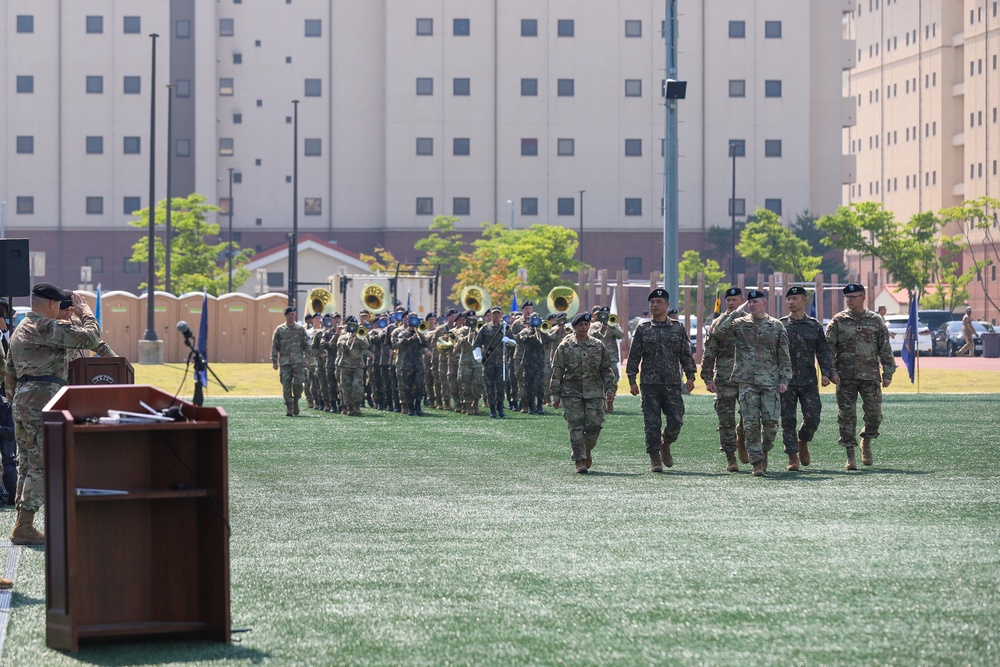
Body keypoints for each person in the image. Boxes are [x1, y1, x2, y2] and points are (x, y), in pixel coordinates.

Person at [4, 284, 100, 553]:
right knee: (42, 464)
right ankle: (24, 525)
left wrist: (18, 404)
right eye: (58, 304)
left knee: (26, 464)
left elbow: (9, 374)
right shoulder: (46, 327)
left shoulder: (21, 329)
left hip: (22, 401)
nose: (60, 308)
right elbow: (91, 338)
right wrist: (85, 312)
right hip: (42, 400)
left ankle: (22, 523)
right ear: (50, 304)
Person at [710, 290, 791, 476]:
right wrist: (736, 311)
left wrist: (784, 380)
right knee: (750, 424)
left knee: (771, 425)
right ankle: (756, 463)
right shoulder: (739, 324)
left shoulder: (776, 326)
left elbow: (784, 356)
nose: (752, 305)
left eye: (756, 302)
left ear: (764, 303)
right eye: (750, 303)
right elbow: (718, 331)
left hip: (770, 382)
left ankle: (764, 451)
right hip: (746, 382)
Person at [625, 288, 696, 473]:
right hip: (650, 384)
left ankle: (666, 443)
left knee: (676, 419)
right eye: (652, 302)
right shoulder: (643, 329)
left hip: (672, 383)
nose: (654, 305)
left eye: (658, 302)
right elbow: (634, 356)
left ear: (667, 305)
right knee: (651, 422)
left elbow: (685, 354)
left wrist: (690, 375)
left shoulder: (678, 328)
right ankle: (655, 456)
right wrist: (632, 379)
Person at [826, 283, 894, 470]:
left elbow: (885, 348)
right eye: (847, 297)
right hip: (845, 376)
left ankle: (867, 440)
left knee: (874, 415)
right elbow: (828, 350)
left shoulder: (875, 320)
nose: (849, 300)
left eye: (853, 296)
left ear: (863, 298)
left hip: (870, 375)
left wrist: (888, 372)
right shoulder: (838, 320)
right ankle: (850, 455)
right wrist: (830, 372)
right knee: (846, 417)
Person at [549, 312, 616, 473]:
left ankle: (586, 449)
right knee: (575, 426)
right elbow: (557, 371)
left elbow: (606, 369)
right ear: (574, 327)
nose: (584, 327)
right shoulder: (565, 346)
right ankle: (579, 460)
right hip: (571, 392)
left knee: (595, 425)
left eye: (586, 325)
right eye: (580, 325)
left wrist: (610, 389)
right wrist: (555, 395)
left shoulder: (598, 345)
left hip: (594, 392)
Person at [779, 286, 836, 470]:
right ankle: (792, 456)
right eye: (789, 299)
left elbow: (823, 351)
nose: (791, 302)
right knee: (787, 419)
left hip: (808, 380)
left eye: (795, 298)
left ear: (804, 300)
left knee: (813, 417)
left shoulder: (814, 325)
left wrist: (826, 373)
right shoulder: (780, 325)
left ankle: (802, 440)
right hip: (785, 381)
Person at [701, 286, 747, 472]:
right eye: (728, 300)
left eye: (735, 300)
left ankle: (742, 439)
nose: (731, 303)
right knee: (725, 419)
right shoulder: (718, 323)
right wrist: (707, 377)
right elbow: (709, 351)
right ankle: (730, 456)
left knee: (750, 417)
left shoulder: (751, 321)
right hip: (725, 378)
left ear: (742, 300)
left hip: (748, 378)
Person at [474, 307, 512, 418]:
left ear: (501, 315)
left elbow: (515, 342)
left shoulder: (505, 328)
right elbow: (477, 343)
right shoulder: (485, 328)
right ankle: (492, 409)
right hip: (488, 362)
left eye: (498, 314)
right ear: (491, 314)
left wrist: (508, 341)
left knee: (501, 386)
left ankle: (500, 407)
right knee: (489, 386)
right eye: (494, 314)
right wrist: (478, 355)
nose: (496, 316)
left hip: (501, 362)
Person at [271, 306, 310, 416]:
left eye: (293, 314)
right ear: (285, 316)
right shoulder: (280, 330)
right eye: (289, 314)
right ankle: (289, 406)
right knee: (286, 385)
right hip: (285, 362)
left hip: (298, 362)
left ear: (295, 315)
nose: (291, 316)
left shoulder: (300, 329)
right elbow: (274, 346)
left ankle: (296, 401)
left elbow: (307, 345)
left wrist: (307, 359)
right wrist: (274, 361)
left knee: (298, 384)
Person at [589, 306, 624, 412]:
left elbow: (620, 335)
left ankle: (610, 400)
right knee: (597, 380)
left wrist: (611, 327)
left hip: (611, 357)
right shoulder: (595, 325)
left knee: (614, 379)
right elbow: (589, 336)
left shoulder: (614, 324)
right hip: (597, 357)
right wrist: (600, 330)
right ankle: (600, 402)